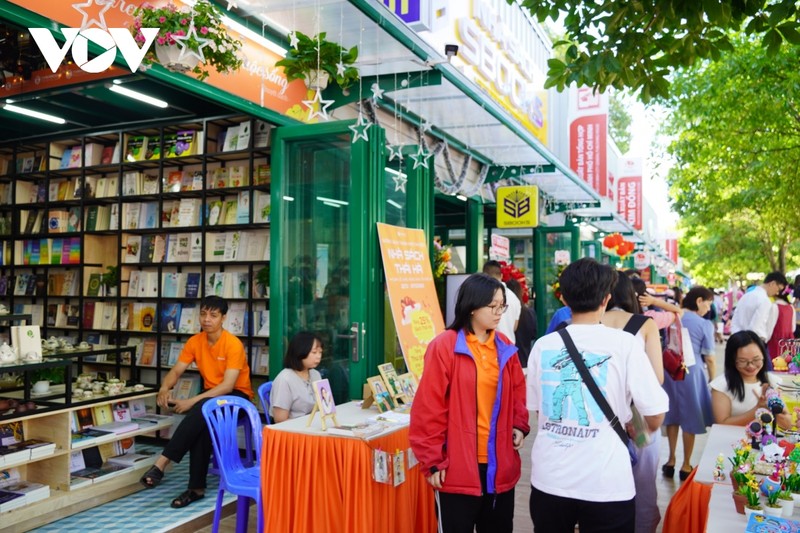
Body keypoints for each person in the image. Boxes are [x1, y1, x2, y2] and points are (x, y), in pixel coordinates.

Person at [527, 258, 668, 533]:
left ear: (564, 298)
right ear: (606, 298)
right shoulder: (625, 344)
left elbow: (539, 411)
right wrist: (635, 428)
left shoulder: (543, 346)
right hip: (607, 482)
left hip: (549, 478)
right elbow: (655, 414)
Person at [410, 273, 529, 533]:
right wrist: (432, 460)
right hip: (457, 467)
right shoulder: (445, 346)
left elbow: (518, 392)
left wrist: (519, 424)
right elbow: (428, 408)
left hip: (499, 466)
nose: (500, 313)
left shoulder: (505, 346)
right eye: (493, 306)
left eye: (503, 306)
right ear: (473, 307)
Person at [139, 296, 253, 508]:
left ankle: (161, 463)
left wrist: (192, 401)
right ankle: (196, 489)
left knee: (201, 409)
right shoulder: (195, 342)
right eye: (203, 314)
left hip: (238, 399)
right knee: (203, 419)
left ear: (223, 318)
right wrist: (165, 387)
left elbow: (228, 386)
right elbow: (176, 371)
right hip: (211, 398)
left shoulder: (233, 344)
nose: (207, 319)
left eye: (213, 315)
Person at [600, 274, 664, 533]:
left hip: (601, 413)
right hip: (637, 415)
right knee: (644, 480)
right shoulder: (644, 324)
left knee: (604, 477)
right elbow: (656, 377)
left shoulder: (594, 322)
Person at [661, 286, 715, 482]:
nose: (708, 309)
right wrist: (712, 379)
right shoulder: (705, 325)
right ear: (699, 301)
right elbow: (709, 357)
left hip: (670, 371)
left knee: (673, 416)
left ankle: (670, 460)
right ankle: (686, 464)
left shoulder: (674, 318)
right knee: (690, 418)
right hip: (692, 372)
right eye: (708, 303)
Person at [711, 330, 792, 429]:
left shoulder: (772, 381)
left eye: (756, 359)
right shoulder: (721, 386)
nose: (751, 366)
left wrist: (775, 410)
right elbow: (722, 423)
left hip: (765, 442)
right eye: (743, 361)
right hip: (731, 441)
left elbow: (787, 425)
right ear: (732, 360)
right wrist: (757, 409)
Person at [269, 332, 323, 423]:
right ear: (300, 351)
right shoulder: (285, 379)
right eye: (314, 352)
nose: (319, 356)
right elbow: (280, 420)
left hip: (313, 425)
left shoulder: (315, 374)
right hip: (293, 431)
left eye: (320, 352)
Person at [731, 271, 788, 345]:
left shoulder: (745, 296)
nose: (777, 293)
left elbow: (735, 321)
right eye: (779, 289)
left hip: (737, 340)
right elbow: (755, 327)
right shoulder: (765, 300)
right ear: (772, 283)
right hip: (755, 342)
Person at [482, 260, 521, 343]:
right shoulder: (514, 298)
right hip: (509, 346)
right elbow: (515, 327)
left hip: (491, 346)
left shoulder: (483, 294)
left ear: (484, 275)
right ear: (501, 275)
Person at [506, 277, 537, 366]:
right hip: (525, 359)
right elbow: (533, 335)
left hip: (510, 360)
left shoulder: (504, 312)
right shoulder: (529, 313)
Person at [766, 292, 794, 363]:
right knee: (786, 362)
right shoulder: (791, 307)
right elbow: (793, 328)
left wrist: (765, 340)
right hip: (789, 340)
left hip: (776, 340)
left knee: (776, 362)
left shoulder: (774, 306)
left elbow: (770, 326)